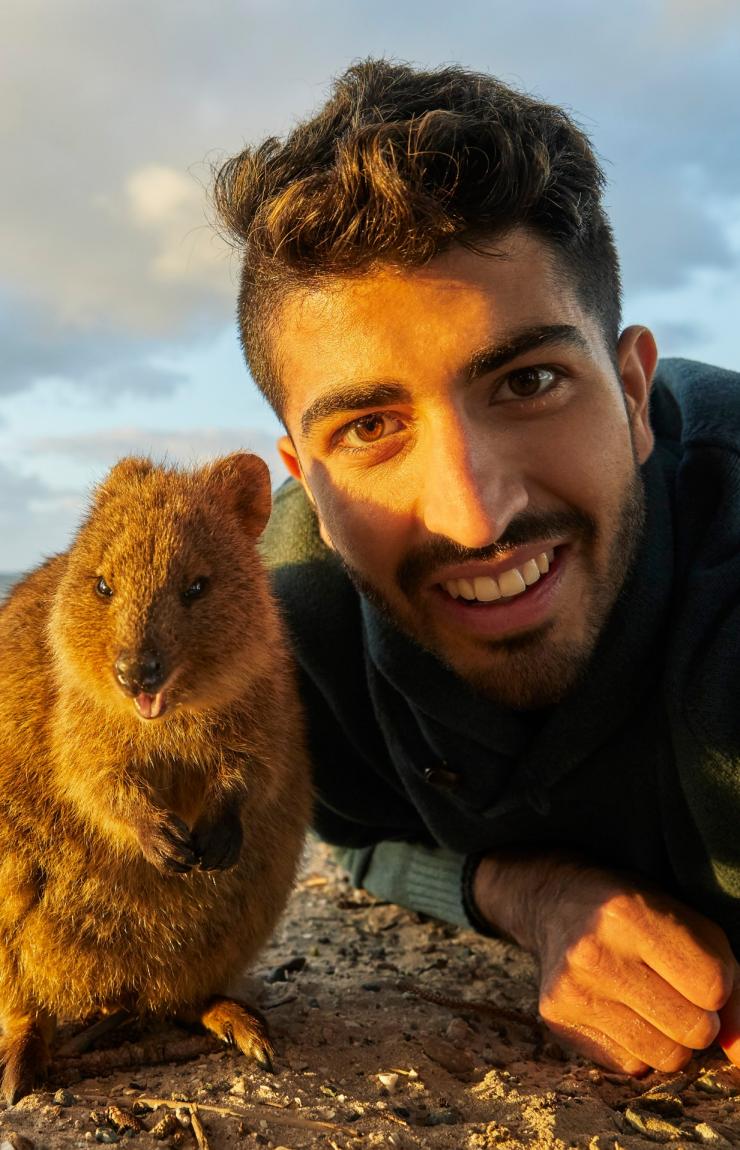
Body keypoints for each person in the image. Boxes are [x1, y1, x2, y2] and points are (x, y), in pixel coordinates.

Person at [213, 59, 740, 1075]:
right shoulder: (293, 631)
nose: (472, 513)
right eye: (370, 427)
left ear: (633, 393)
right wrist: (531, 894)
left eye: (528, 379)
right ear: (305, 483)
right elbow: (356, 834)